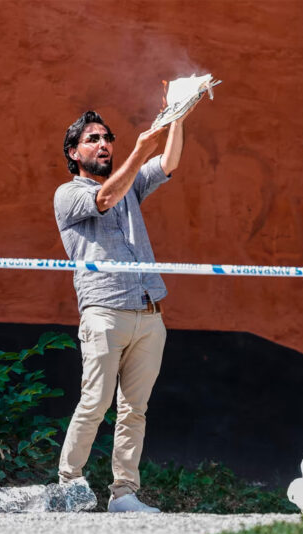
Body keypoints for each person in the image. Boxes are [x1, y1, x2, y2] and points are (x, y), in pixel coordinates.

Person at [53, 106, 197, 513]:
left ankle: (124, 494)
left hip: (149, 313)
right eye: (92, 139)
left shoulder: (130, 184)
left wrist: (179, 117)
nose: (103, 144)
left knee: (135, 410)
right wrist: (138, 150)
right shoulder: (69, 194)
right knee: (95, 402)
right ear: (73, 153)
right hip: (104, 312)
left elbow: (168, 163)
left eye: (107, 137)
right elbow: (105, 197)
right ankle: (70, 485)